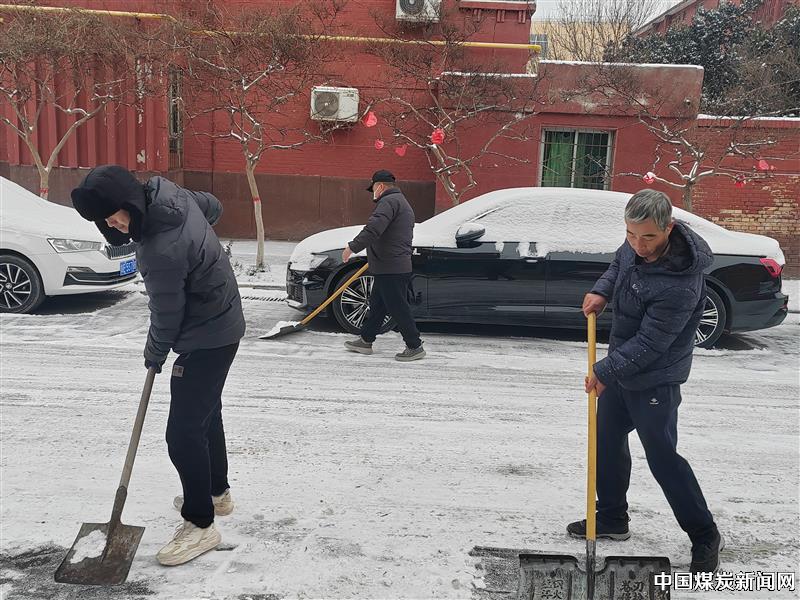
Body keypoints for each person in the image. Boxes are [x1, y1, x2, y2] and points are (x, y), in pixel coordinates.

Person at [71, 165, 245, 566]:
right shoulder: (172, 197)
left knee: (182, 435)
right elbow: (213, 206)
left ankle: (200, 524)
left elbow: (167, 314)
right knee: (205, 415)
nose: (113, 224)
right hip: (224, 320)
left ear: (131, 202)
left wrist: (155, 353)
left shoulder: (159, 249)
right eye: (105, 221)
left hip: (207, 335)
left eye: (115, 216)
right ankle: (216, 493)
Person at [568, 189, 723, 573]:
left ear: (669, 227)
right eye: (631, 234)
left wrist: (604, 370)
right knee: (605, 441)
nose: (638, 244)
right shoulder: (635, 244)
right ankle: (612, 517)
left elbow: (652, 344)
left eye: (648, 237)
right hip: (623, 368)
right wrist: (601, 291)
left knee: (662, 457)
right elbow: (619, 264)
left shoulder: (681, 282)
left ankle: (705, 534)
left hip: (655, 378)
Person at [342, 170, 424, 361]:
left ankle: (414, 345)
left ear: (379, 186)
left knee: (398, 307)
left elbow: (373, 228)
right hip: (390, 265)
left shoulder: (388, 202)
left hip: (391, 266)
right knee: (378, 305)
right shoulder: (400, 201)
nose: (373, 193)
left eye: (373, 188)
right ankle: (366, 340)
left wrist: (352, 247)